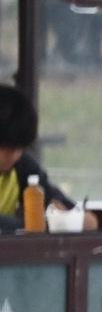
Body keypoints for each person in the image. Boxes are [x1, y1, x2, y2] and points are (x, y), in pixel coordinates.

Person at [0, 85, 73, 232]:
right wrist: (35, 223)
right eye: (8, 148)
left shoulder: (22, 165)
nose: (14, 155)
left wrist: (71, 215)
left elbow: (51, 195)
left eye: (20, 148)